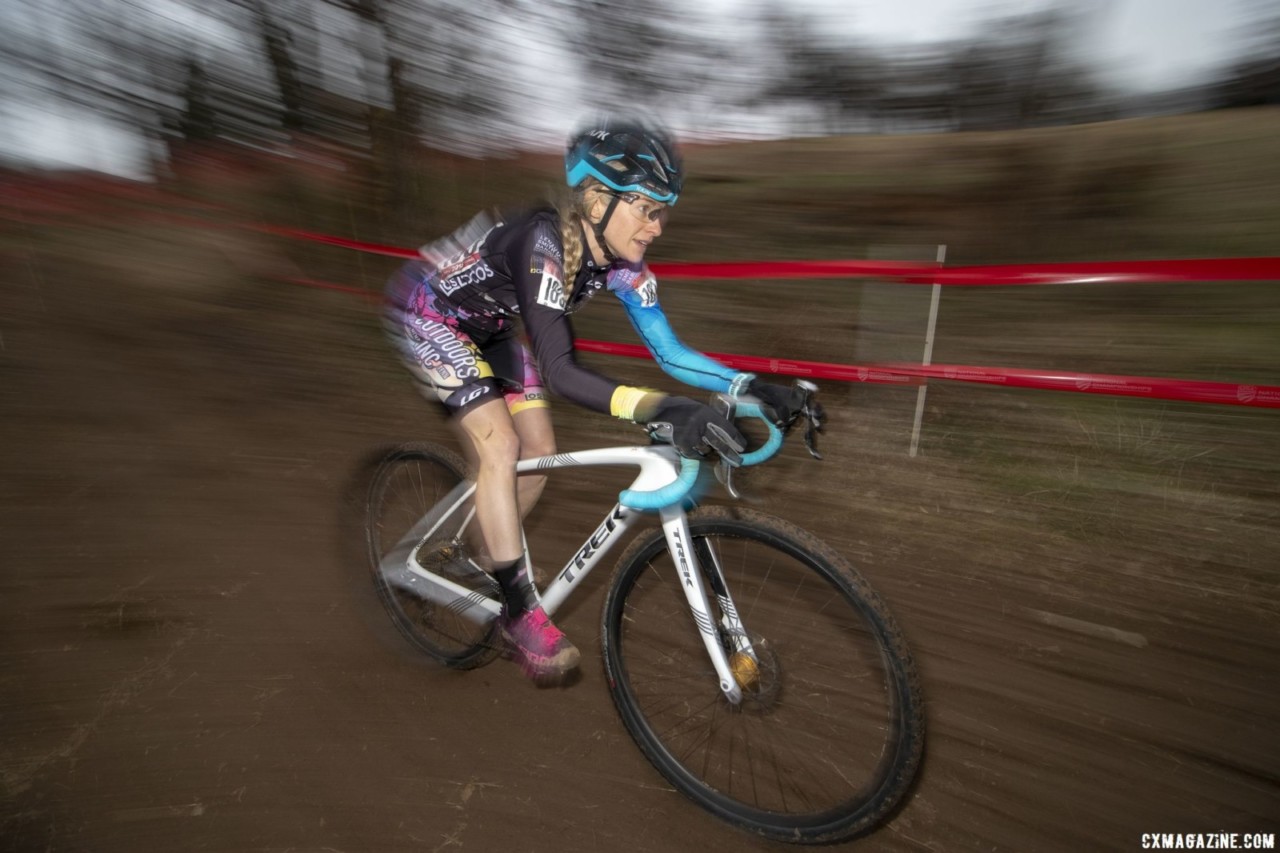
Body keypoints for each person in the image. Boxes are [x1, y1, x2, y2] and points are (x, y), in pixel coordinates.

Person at [383, 117, 811, 682]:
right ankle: (517, 611)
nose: (657, 226)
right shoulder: (542, 244)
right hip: (431, 316)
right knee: (502, 446)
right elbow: (561, 373)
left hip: (490, 328)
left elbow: (670, 352)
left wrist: (748, 387)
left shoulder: (623, 263)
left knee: (539, 452)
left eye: (663, 210)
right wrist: (665, 408)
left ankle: (467, 552)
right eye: (646, 208)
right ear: (595, 200)